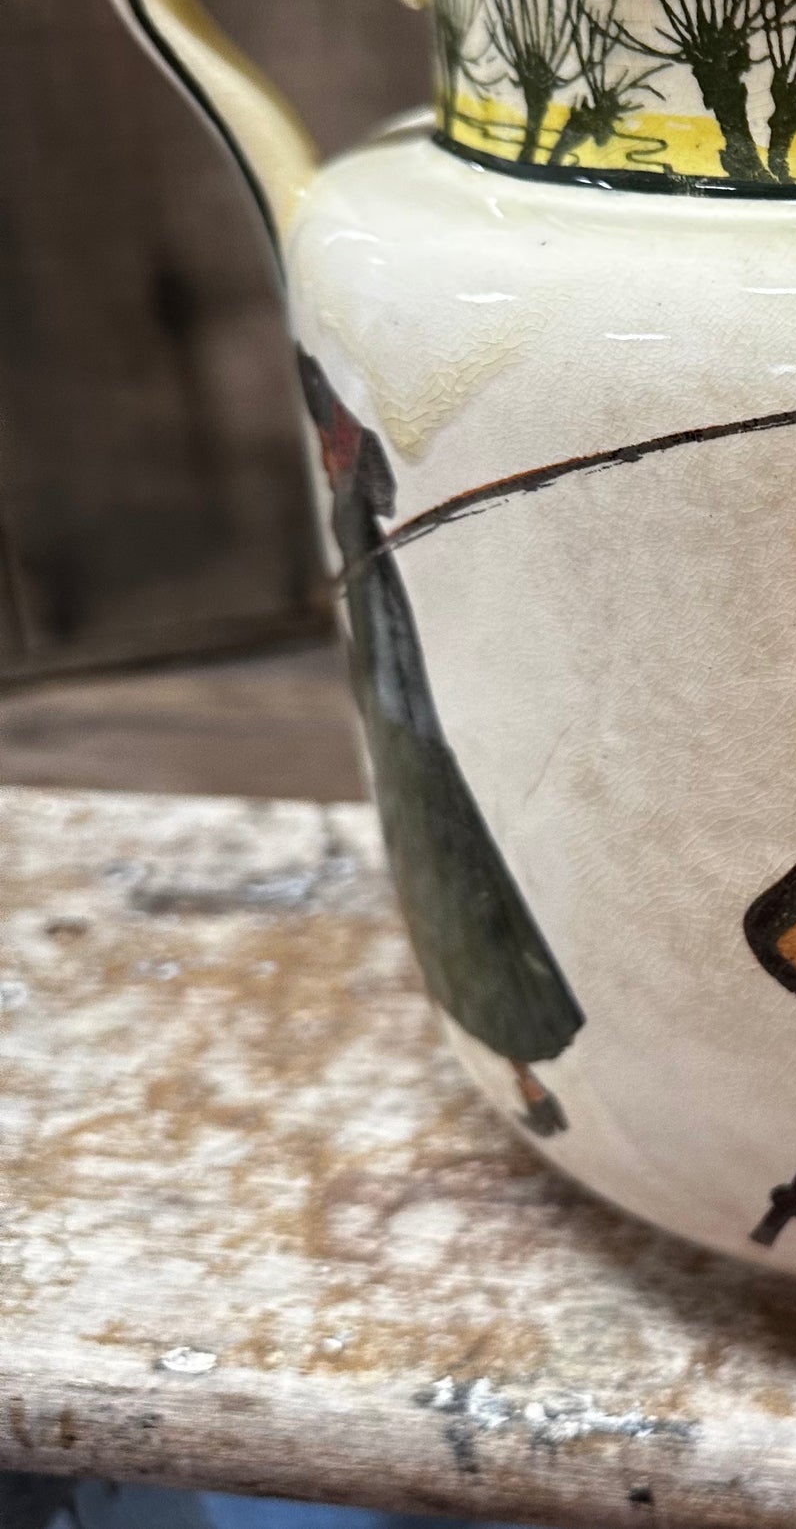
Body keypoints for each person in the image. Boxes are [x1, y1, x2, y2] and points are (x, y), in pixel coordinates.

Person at [297, 350, 585, 1134]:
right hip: (410, 736)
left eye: (330, 445)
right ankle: (525, 1078)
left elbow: (376, 500)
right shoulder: (349, 497)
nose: (327, 454)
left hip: (410, 734)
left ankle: (526, 1075)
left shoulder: (354, 489)